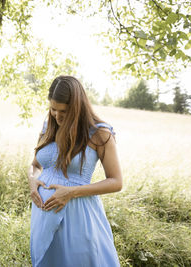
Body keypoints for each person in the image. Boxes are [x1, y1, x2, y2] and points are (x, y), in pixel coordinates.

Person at [28, 75, 122, 267]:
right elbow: (35, 165)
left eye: (63, 111)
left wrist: (71, 192)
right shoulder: (49, 126)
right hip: (42, 217)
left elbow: (116, 181)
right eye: (53, 109)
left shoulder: (99, 133)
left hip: (77, 217)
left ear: (77, 107)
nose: (57, 115)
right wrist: (32, 179)